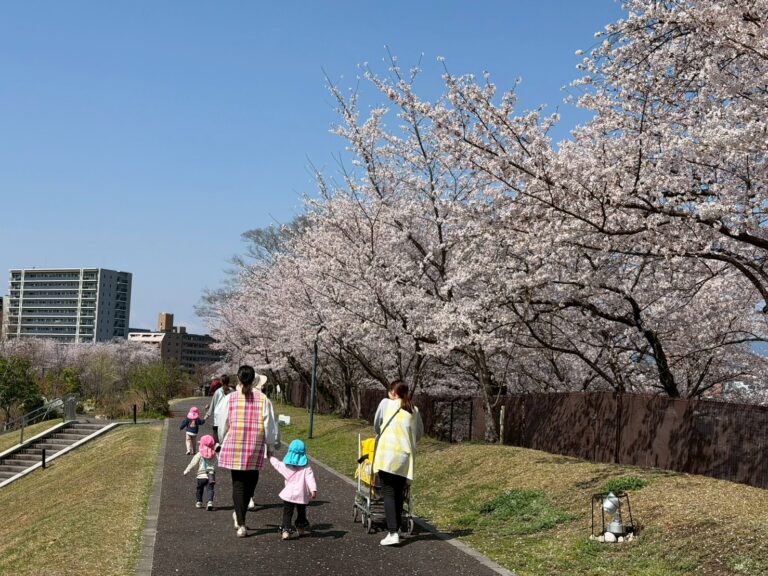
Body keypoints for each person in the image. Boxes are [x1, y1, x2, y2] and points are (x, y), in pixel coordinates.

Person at [217, 365, 279, 538]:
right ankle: (240, 517)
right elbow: (269, 425)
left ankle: (241, 522)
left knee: (238, 484)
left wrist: (222, 440)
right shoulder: (263, 399)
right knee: (251, 482)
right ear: (254, 380)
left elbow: (223, 423)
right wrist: (271, 446)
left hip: (235, 444)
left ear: (238, 378)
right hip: (255, 446)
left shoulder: (230, 399)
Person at [372, 380, 423, 546]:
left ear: (393, 393)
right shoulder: (414, 410)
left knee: (388, 492)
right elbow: (419, 433)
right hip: (404, 456)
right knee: (399, 493)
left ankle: (393, 532)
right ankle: (397, 529)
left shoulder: (386, 403)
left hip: (387, 455)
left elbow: (377, 424)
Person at [269, 439, 317, 540]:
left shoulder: (286, 466)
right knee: (301, 512)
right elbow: (310, 478)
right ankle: (300, 528)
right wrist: (313, 490)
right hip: (301, 495)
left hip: (288, 495)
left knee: (287, 513)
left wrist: (271, 457)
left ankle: (286, 531)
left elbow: (277, 464)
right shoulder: (306, 467)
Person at [183, 434, 217, 510]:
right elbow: (218, 461)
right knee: (210, 489)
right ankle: (210, 502)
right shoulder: (214, 454)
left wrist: (186, 471)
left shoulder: (199, 454)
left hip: (201, 476)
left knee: (199, 489)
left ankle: (199, 502)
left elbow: (193, 463)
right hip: (211, 476)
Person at [204, 374, 231, 444]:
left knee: (216, 437)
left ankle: (217, 450)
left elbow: (214, 403)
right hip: (228, 415)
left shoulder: (218, 392)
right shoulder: (232, 391)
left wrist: (208, 414)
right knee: (227, 435)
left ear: (221, 382)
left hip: (218, 416)